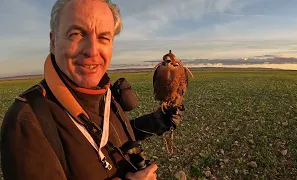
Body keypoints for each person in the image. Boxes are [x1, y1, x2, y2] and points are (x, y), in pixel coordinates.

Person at [0, 0, 183, 179]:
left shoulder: (104, 92)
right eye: (76, 34)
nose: (92, 50)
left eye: (103, 37)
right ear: (53, 41)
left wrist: (154, 122)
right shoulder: (27, 122)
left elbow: (107, 139)